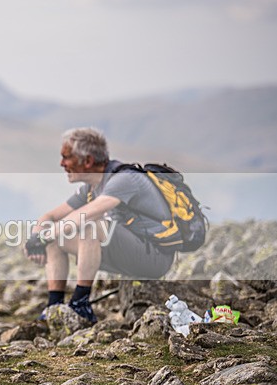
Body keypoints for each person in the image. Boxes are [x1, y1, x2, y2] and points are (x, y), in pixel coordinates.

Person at [25, 127, 174, 322]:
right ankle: (54, 306)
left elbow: (87, 214)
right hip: (126, 252)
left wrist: (42, 237)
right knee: (55, 236)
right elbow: (50, 216)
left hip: (155, 258)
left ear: (87, 161)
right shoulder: (92, 186)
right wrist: (37, 238)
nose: (62, 163)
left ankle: (80, 304)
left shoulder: (124, 179)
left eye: (66, 157)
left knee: (89, 224)